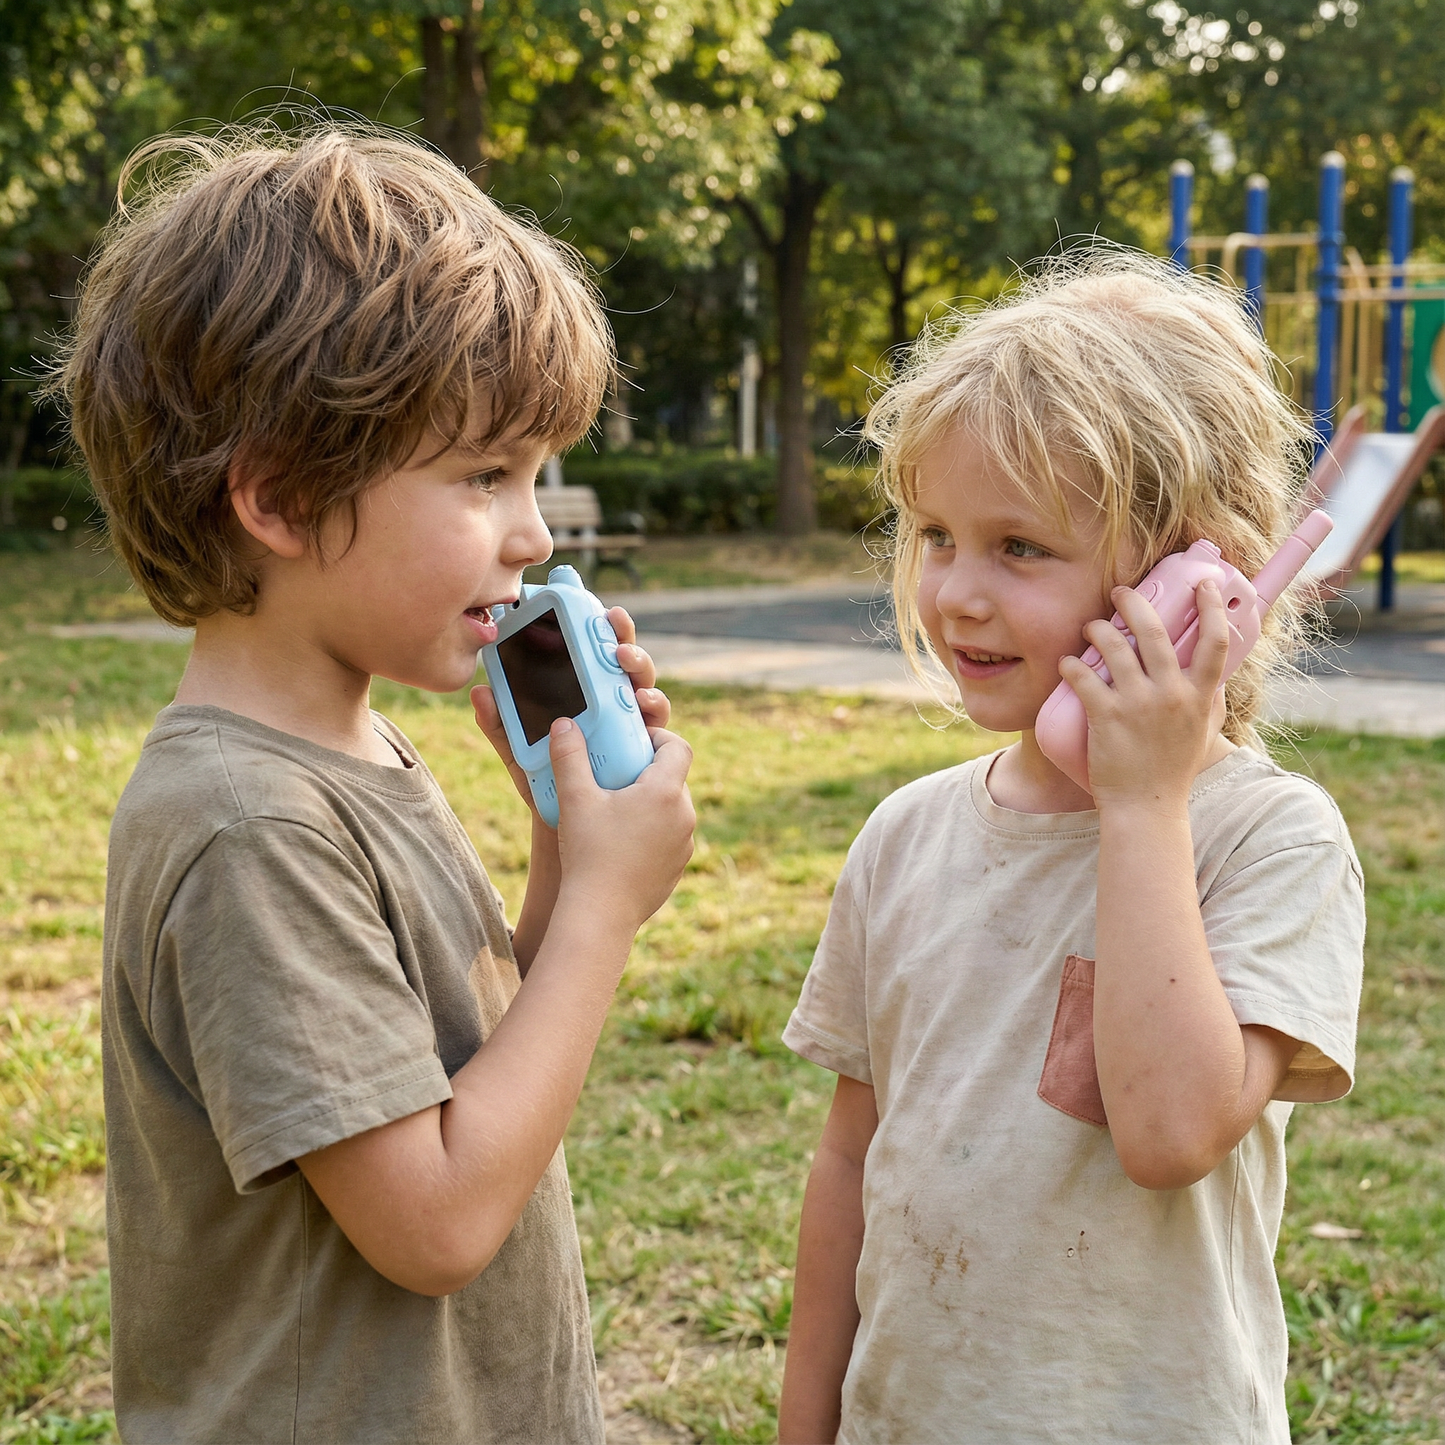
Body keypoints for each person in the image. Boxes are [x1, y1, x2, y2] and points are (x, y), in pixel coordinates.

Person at [47, 124, 695, 1444]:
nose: (530, 532)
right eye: (482, 476)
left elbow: (456, 1074)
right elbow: (438, 1220)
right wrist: (603, 922)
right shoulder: (250, 825)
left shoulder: (350, 751)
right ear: (280, 498)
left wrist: (563, 845)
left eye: (535, 475)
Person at [777, 250, 1365, 1444]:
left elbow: (1166, 1133)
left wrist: (1141, 806)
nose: (955, 593)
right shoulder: (905, 837)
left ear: (1191, 580)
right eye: (936, 533)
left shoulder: (1267, 842)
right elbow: (849, 1164)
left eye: (1019, 547)